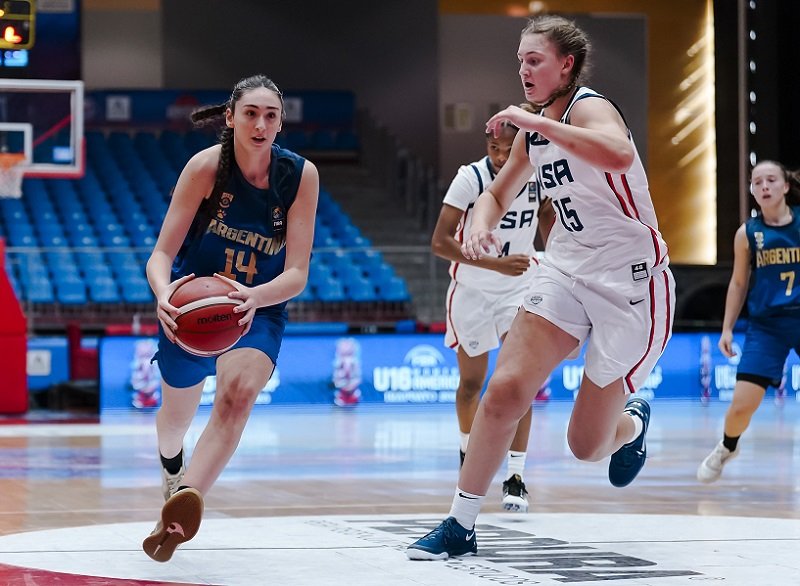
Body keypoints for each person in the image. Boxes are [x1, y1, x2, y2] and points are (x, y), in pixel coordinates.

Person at [407, 14, 674, 560]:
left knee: (586, 445)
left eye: (535, 60)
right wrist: (481, 224)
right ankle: (460, 525)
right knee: (504, 390)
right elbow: (497, 196)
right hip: (565, 270)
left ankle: (633, 422)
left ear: (565, 65)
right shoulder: (534, 130)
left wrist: (540, 125)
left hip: (632, 282)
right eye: (520, 60)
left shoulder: (588, 108)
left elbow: (619, 153)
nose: (524, 69)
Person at [141, 74, 319, 562]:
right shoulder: (205, 168)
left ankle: (179, 511)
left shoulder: (300, 175)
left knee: (237, 399)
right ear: (230, 118)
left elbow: (298, 272)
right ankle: (173, 465)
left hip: (255, 307)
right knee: (174, 421)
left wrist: (255, 297)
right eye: (251, 113)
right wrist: (164, 293)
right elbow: (160, 254)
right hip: (192, 307)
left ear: (280, 123)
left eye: (271, 115)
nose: (261, 124)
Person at [431, 122, 553, 512]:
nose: (500, 157)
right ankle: (469, 456)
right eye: (493, 148)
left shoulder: (538, 175)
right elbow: (439, 242)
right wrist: (496, 264)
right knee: (471, 383)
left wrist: (557, 258)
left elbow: (549, 220)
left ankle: (515, 476)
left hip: (519, 287)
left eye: (506, 149)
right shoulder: (471, 177)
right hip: (473, 289)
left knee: (519, 381)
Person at [697, 160, 800, 483]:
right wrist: (727, 328)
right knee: (741, 406)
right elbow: (739, 283)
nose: (765, 186)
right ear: (753, 191)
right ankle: (728, 446)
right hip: (767, 326)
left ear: (785, 186)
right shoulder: (748, 234)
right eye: (758, 182)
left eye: (771, 180)